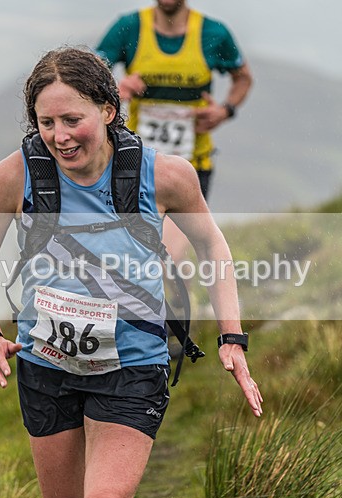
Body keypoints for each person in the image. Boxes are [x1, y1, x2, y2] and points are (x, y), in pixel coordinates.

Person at [0, 47, 261, 498]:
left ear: (107, 109)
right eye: (46, 123)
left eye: (72, 120)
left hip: (133, 364)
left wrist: (232, 336)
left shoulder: (165, 176)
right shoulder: (13, 177)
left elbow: (212, 246)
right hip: (46, 366)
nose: (60, 136)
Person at [96, 0, 253, 286]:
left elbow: (243, 77)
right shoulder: (128, 28)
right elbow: (87, 77)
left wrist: (224, 110)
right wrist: (116, 90)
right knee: (131, 257)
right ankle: (159, 309)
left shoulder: (213, 33)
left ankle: (178, 309)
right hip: (134, 165)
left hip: (190, 166)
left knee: (168, 257)